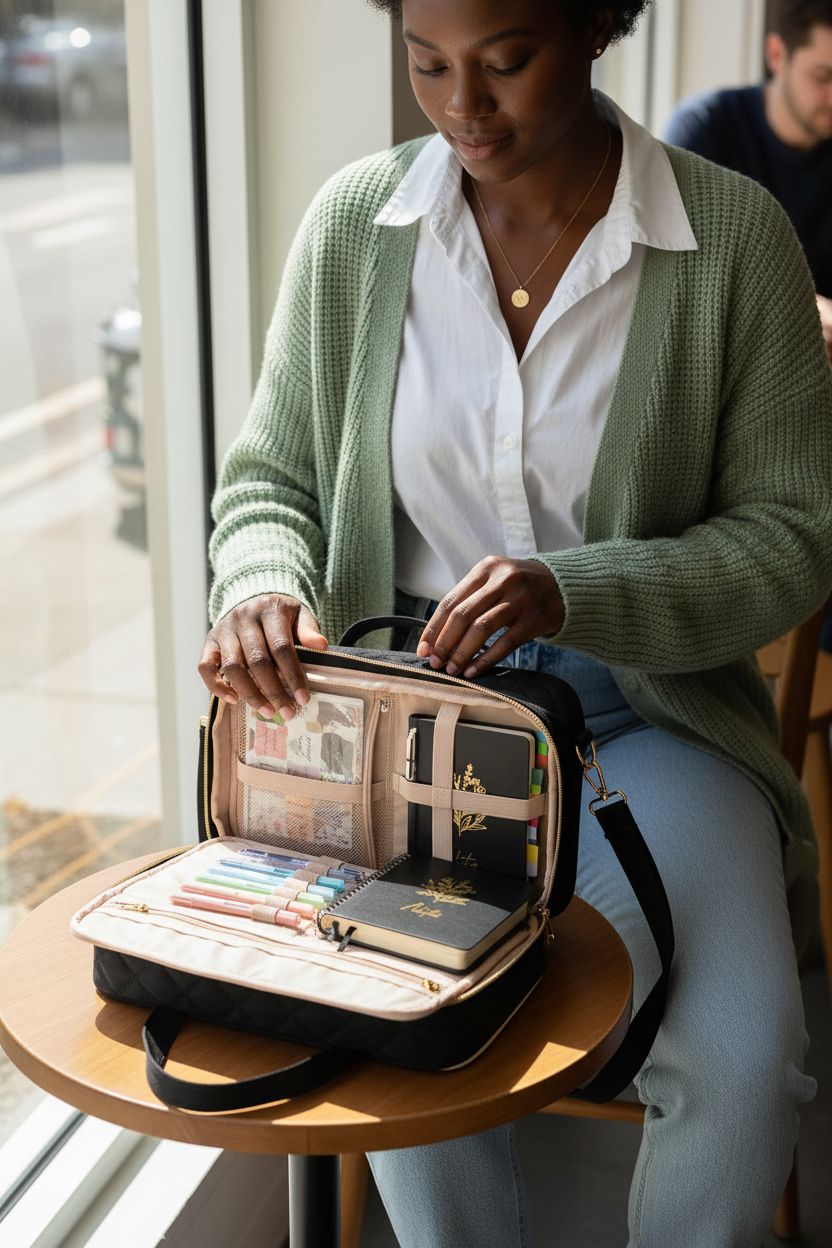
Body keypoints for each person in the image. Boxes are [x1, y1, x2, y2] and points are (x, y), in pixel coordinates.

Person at [198, 1, 832, 1244]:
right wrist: (263, 586)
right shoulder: (356, 229)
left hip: (649, 716)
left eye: (505, 63)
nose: (460, 109)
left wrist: (575, 588)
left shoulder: (732, 239)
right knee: (406, 1023)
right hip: (415, 727)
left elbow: (794, 540)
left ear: (593, 26)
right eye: (427, 64)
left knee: (745, 1069)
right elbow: (267, 482)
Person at [665, 0, 832, 363]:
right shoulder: (705, 129)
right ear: (777, 54)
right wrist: (801, 310)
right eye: (823, 78)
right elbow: (682, 278)